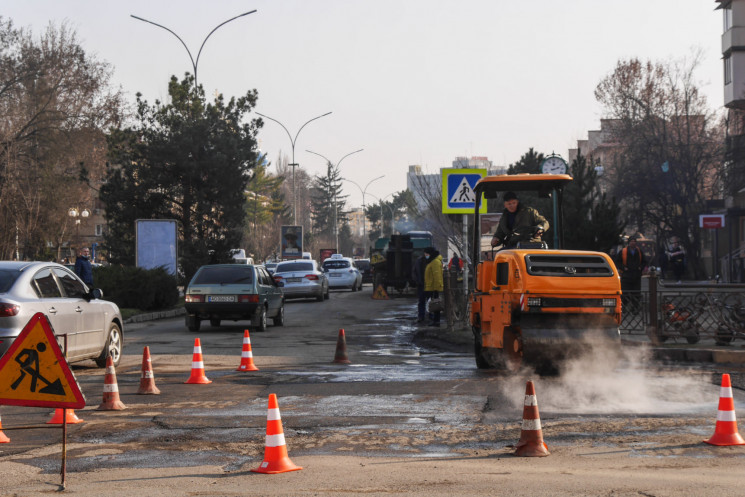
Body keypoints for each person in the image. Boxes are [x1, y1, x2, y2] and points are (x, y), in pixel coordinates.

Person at [616, 236, 646, 312]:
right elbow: (618, 261)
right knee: (625, 293)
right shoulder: (623, 251)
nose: (633, 243)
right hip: (626, 276)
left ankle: (635, 308)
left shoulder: (639, 251)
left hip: (636, 276)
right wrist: (623, 268)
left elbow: (644, 261)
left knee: (636, 293)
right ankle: (623, 307)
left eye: (634, 241)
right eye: (632, 241)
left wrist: (640, 268)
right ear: (629, 243)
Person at [423, 246, 444, 327]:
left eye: (426, 253)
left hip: (433, 288)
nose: (425, 255)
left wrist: (437, 288)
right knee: (434, 305)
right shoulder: (432, 261)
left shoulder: (435, 262)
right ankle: (435, 320)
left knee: (435, 305)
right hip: (431, 287)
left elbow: (437, 276)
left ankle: (436, 321)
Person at [412, 252, 427, 324]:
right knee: (422, 301)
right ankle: (421, 316)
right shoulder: (419, 261)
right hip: (421, 284)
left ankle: (429, 316)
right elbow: (414, 271)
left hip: (428, 284)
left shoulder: (431, 261)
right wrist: (417, 281)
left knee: (429, 301)